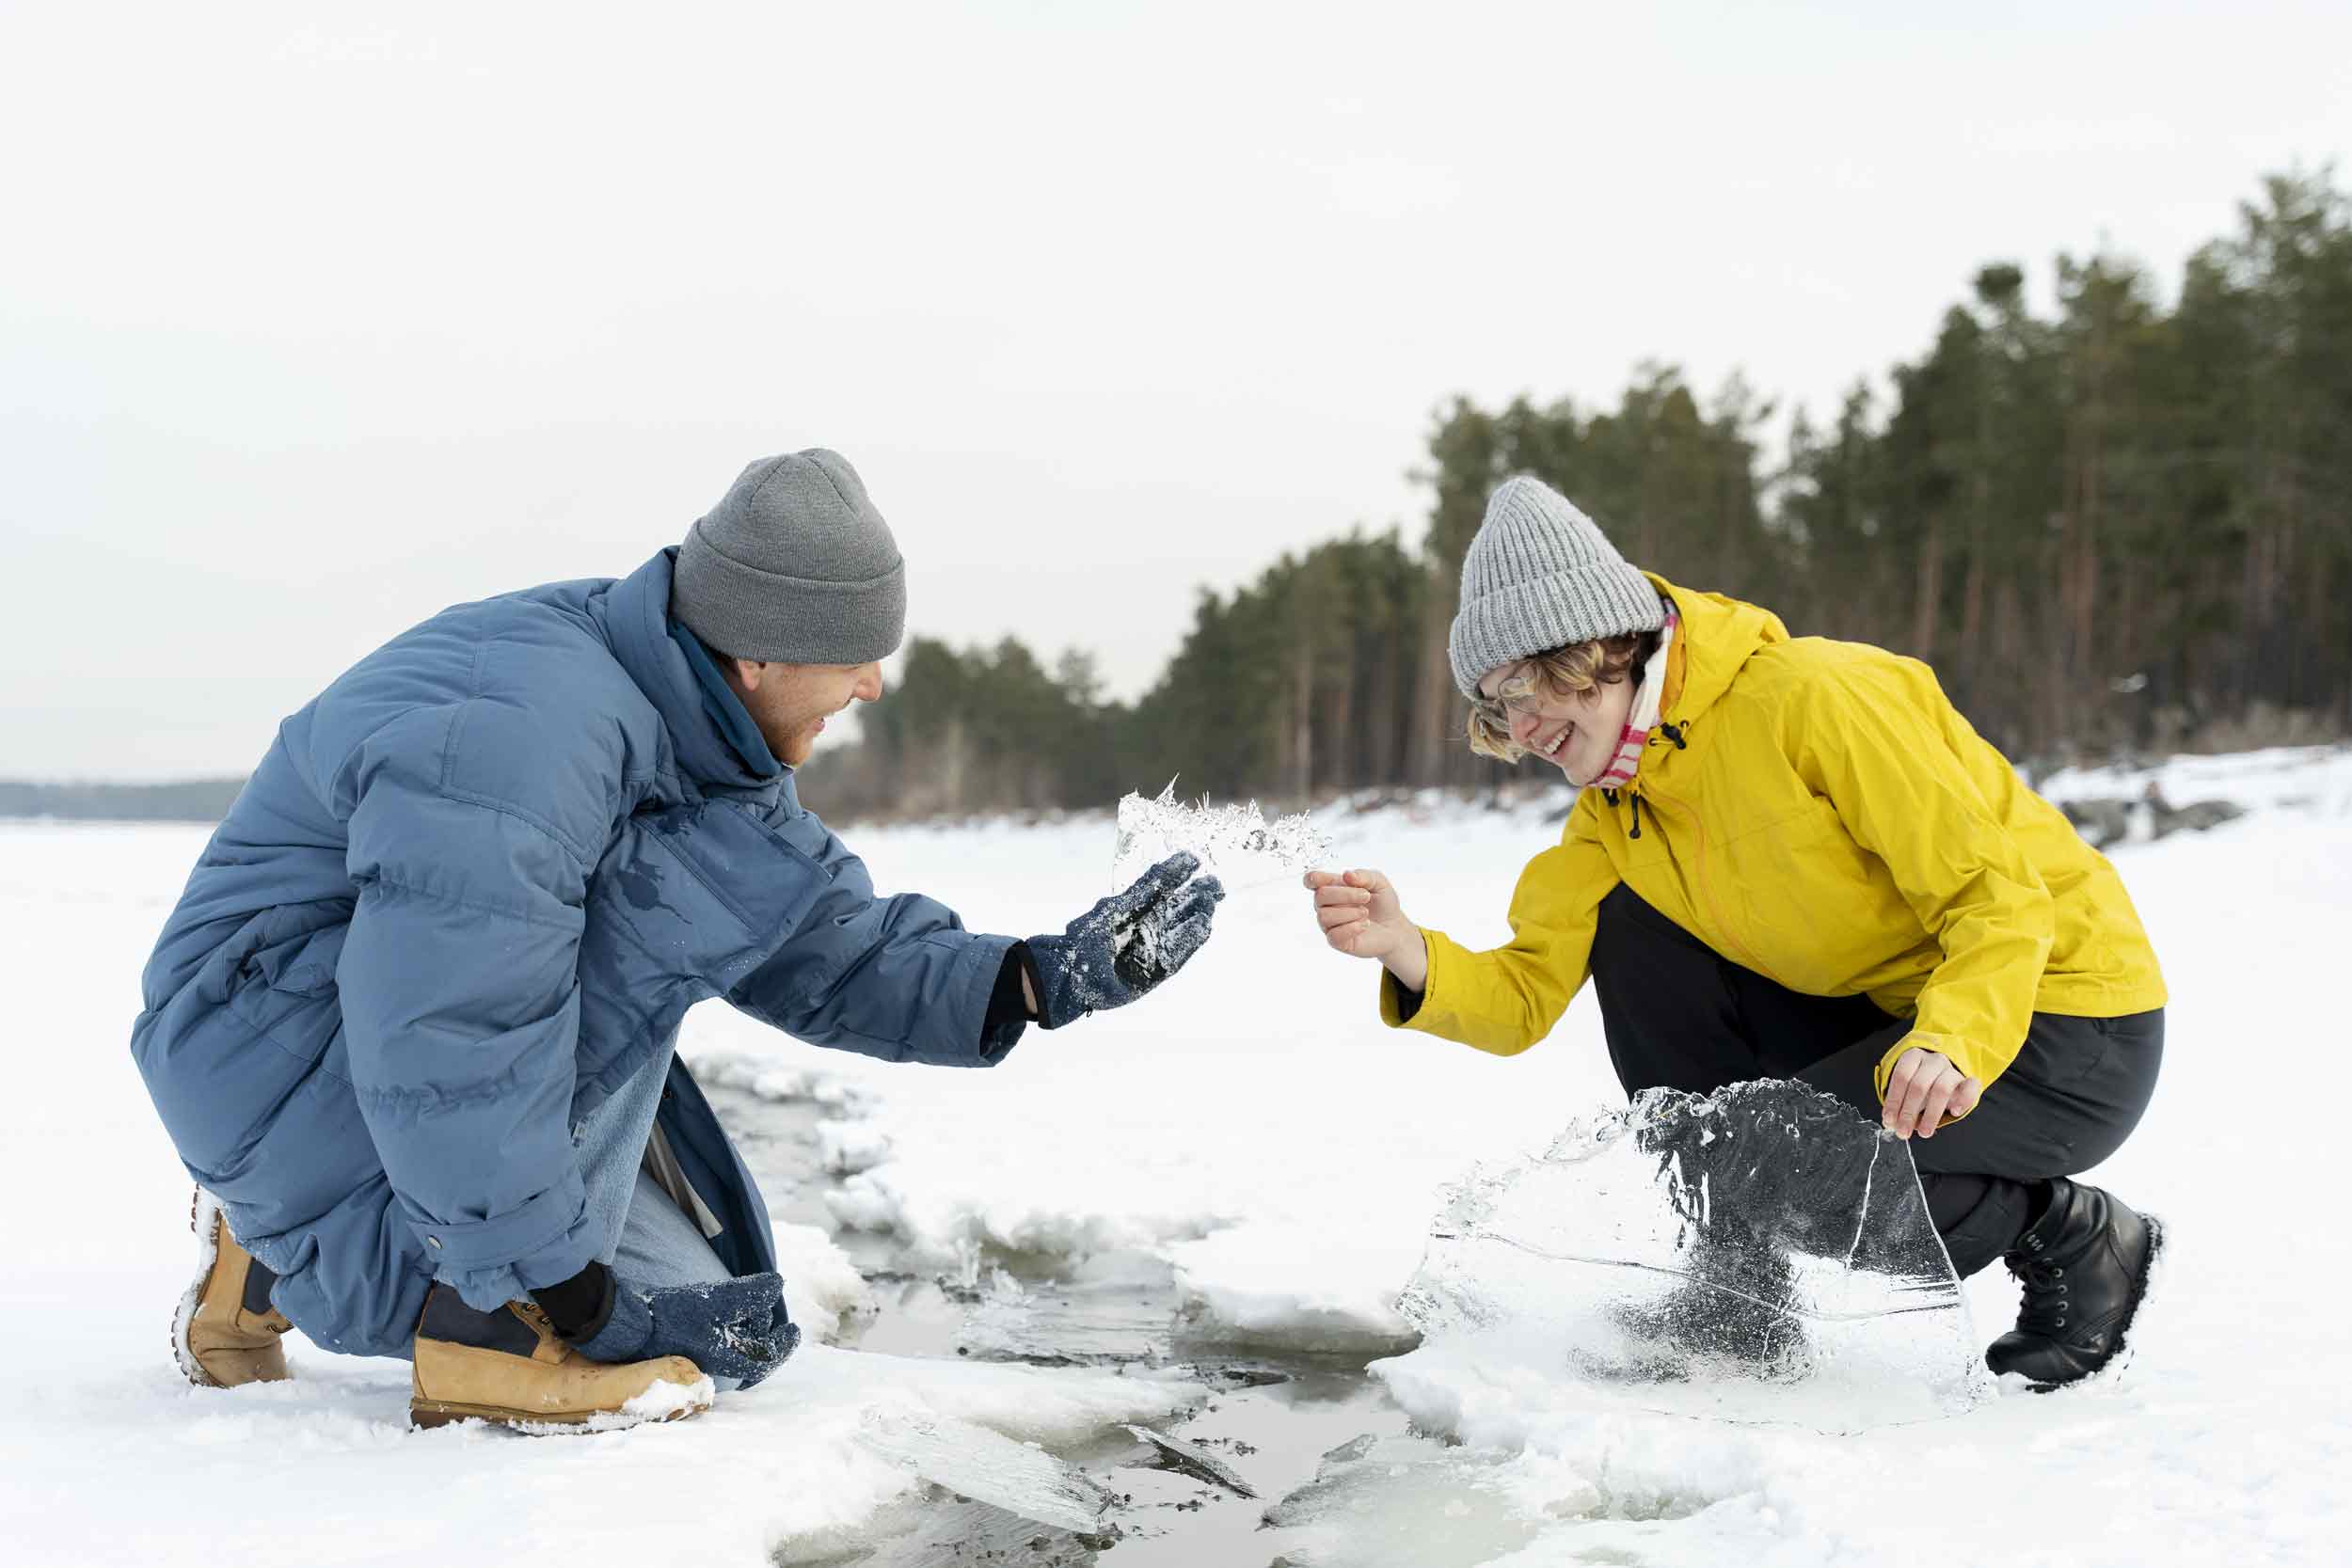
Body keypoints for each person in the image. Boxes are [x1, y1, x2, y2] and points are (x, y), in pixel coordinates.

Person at [138, 450, 1225, 1431]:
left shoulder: (696, 731)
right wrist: (552, 1300)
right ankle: (479, 1326)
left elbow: (821, 940)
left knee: (701, 1329)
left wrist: (1035, 979)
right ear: (758, 651)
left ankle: (267, 1253)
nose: (870, 684)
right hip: (266, 1041)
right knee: (549, 1288)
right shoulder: (529, 732)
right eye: (852, 653)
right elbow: (452, 1017)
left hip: (364, 1061)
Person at [1305, 476, 2166, 1388]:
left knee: (1781, 1163)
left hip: (2061, 1017)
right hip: (1899, 1019)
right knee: (1633, 929)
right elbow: (1523, 996)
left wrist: (1953, 1036)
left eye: (1522, 686)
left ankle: (2069, 1231)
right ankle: (1738, 1290)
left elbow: (1994, 890)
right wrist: (1403, 946)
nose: (1518, 729)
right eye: (1491, 703)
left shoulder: (1813, 697)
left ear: (1591, 642)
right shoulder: (1615, 809)